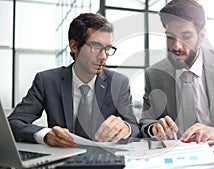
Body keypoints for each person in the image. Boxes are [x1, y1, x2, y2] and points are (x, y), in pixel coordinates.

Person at [8, 13, 139, 147]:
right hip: (63, 159)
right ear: (74, 46)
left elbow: (134, 127)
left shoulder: (118, 83)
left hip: (105, 159)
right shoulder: (47, 81)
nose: (103, 57)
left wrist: (126, 128)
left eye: (107, 49)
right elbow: (13, 122)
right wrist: (45, 135)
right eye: (96, 47)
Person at [140, 0, 214, 144]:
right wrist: (153, 128)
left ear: (201, 35)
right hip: (175, 158)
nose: (176, 46)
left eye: (186, 36)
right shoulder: (154, 74)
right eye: (170, 37)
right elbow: (145, 122)